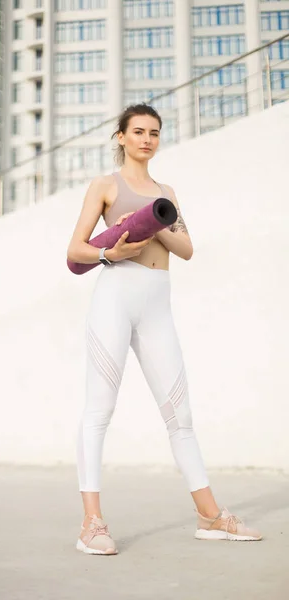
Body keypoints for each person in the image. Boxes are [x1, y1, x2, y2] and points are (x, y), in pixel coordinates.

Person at [67, 104, 262, 555]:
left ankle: (210, 516)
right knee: (99, 410)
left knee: (180, 415)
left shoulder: (165, 192)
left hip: (157, 300)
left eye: (154, 132)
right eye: (137, 131)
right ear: (120, 137)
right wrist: (108, 254)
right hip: (115, 294)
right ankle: (91, 523)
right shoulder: (104, 186)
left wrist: (155, 226)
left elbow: (187, 248)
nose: (146, 139)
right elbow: (76, 249)